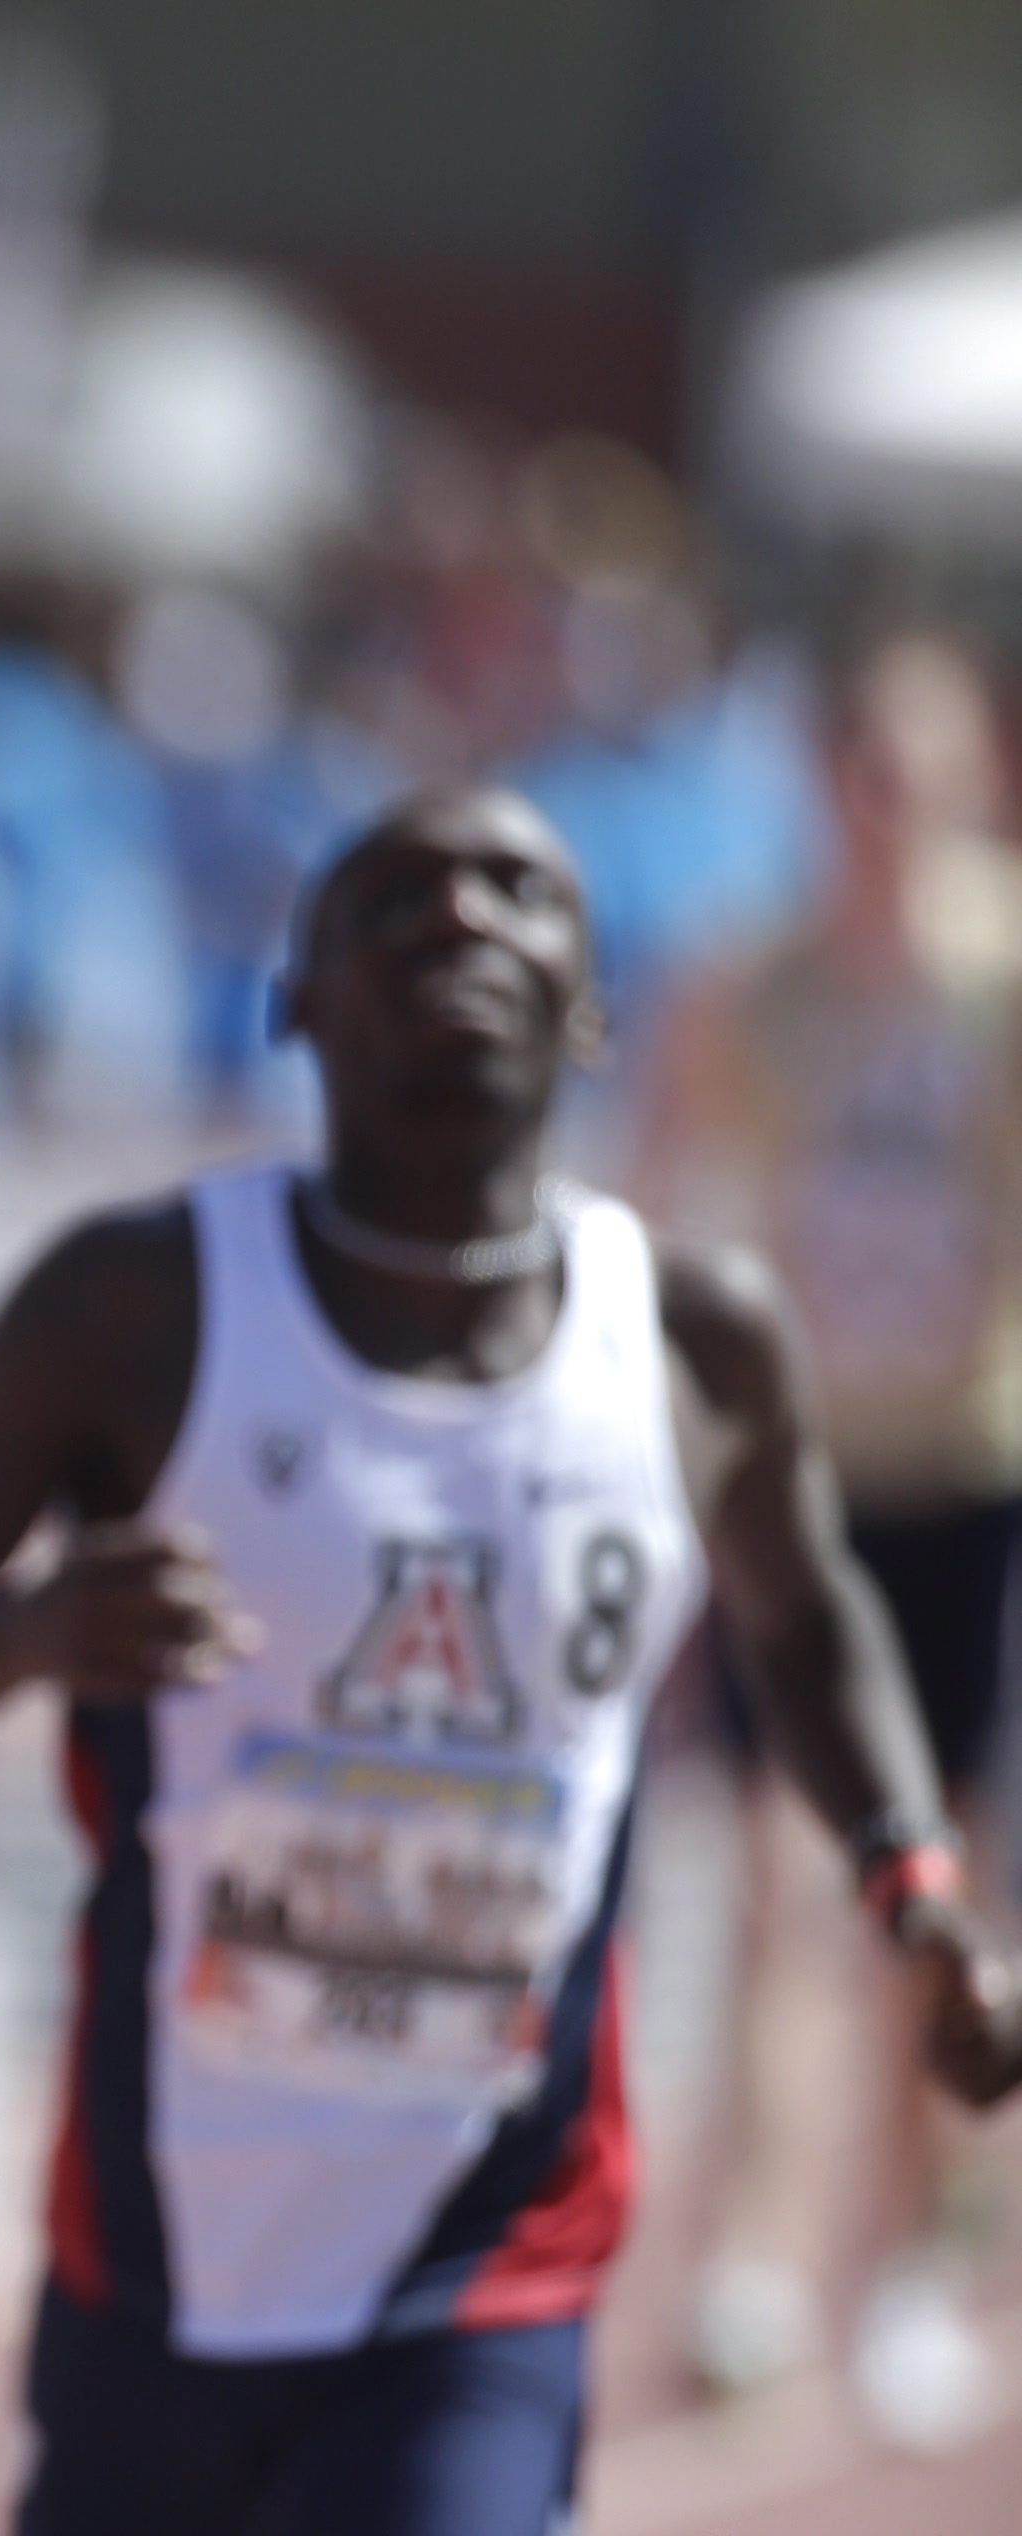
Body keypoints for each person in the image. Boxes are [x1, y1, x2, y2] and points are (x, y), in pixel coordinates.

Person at [0, 784, 1022, 2536]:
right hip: (155, 2264)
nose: (463, 920)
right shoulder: (136, 1311)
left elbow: (812, 1626)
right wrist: (26, 1641)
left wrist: (914, 1889)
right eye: (399, 896)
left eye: (517, 892)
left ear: (588, 1007)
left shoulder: (696, 1346)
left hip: (490, 2263)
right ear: (299, 999)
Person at [646, 628, 1022, 2442]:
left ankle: (923, 2271)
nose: (884, 808)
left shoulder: (1008, 977)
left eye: (916, 772)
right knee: (785, 1883)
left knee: (942, 1895)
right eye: (857, 769)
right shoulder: (751, 985)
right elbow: (663, 1198)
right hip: (800, 1489)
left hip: (971, 1481)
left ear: (971, 781)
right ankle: (758, 2258)